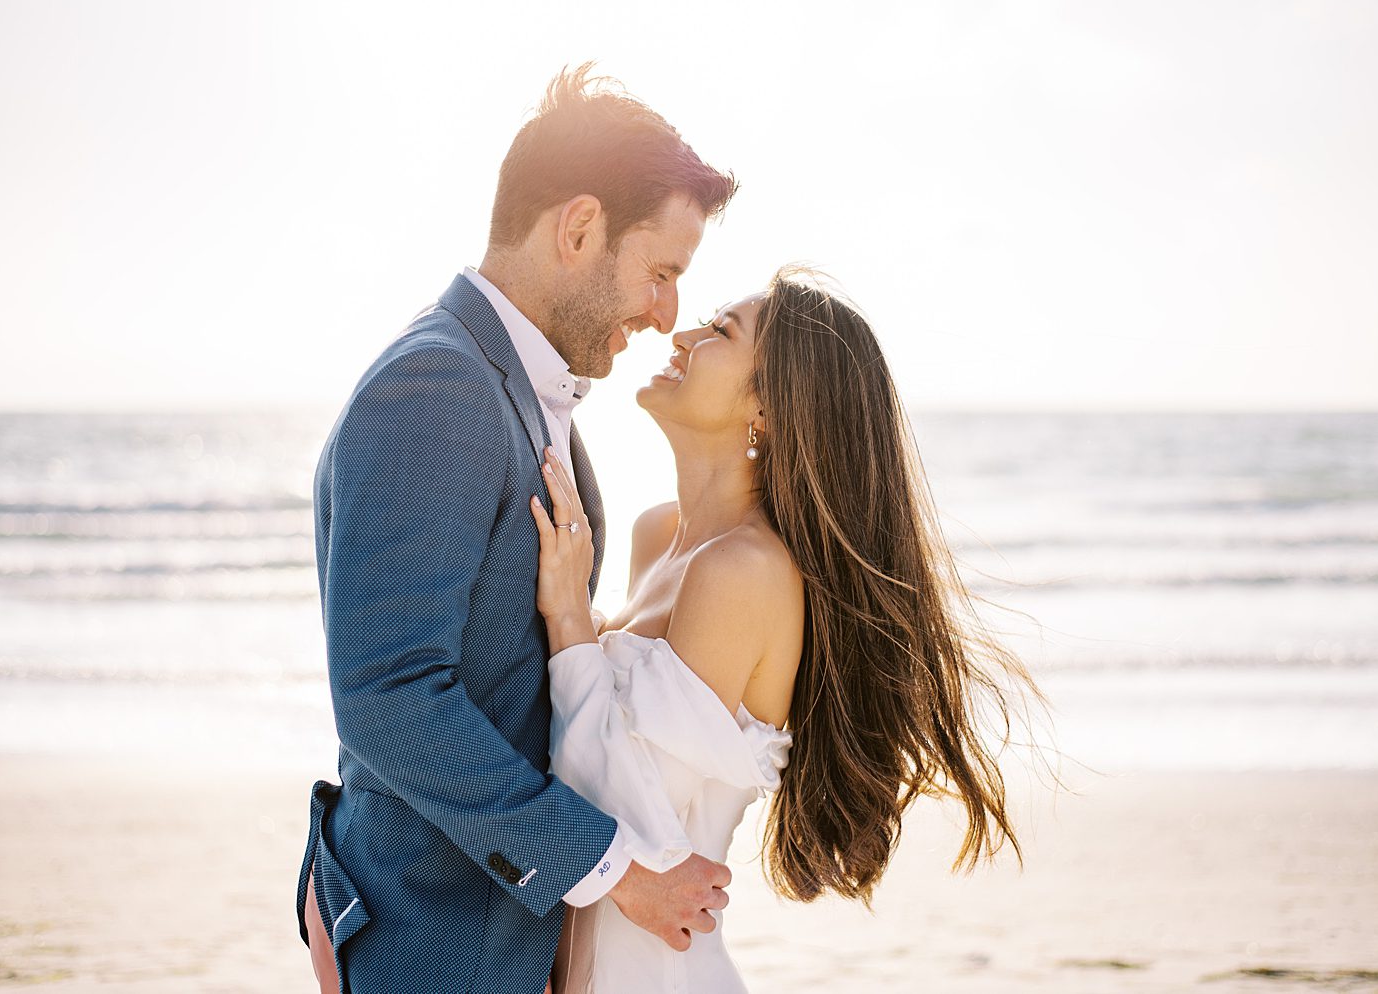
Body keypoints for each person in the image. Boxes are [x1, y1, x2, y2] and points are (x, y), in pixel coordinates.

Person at [295, 65, 738, 994]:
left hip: (505, 944)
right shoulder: (437, 389)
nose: (666, 316)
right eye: (660, 273)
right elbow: (386, 693)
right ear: (579, 229)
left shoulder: (520, 393)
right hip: (438, 949)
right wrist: (614, 870)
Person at [530, 268, 1049, 992]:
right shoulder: (659, 535)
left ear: (768, 410)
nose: (682, 334)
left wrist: (569, 620)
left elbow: (620, 814)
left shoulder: (744, 570)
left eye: (721, 333)